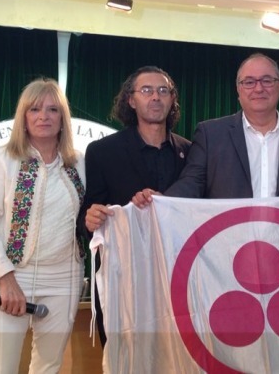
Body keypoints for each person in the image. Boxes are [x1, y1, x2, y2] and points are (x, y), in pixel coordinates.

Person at [0, 78, 85, 374]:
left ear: (63, 119)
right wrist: (6, 279)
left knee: (49, 366)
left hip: (64, 280)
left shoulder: (79, 163)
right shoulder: (0, 160)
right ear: (23, 118)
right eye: (34, 109)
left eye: (52, 109)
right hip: (10, 276)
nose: (43, 116)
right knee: (0, 369)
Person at [81, 65, 190, 346]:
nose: (156, 97)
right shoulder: (102, 152)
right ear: (131, 100)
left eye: (163, 91)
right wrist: (89, 219)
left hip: (178, 278)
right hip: (125, 281)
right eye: (147, 90)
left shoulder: (190, 152)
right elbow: (88, 214)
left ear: (172, 100)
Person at [133, 52, 279, 203]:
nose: (258, 88)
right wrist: (163, 202)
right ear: (238, 90)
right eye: (249, 82)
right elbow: (193, 182)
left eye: (267, 80)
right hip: (227, 246)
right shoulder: (211, 134)